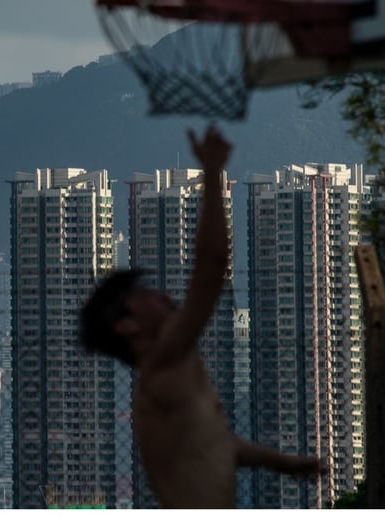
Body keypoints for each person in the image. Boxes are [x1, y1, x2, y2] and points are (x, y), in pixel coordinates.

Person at [80, 125, 322, 508]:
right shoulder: (164, 363)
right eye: (143, 295)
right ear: (126, 326)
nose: (160, 295)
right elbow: (211, 268)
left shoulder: (174, 374)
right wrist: (212, 174)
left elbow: (213, 444)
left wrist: (282, 462)